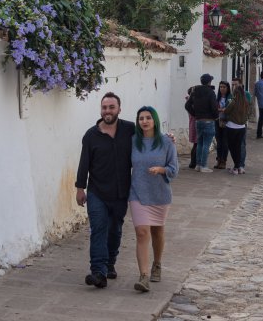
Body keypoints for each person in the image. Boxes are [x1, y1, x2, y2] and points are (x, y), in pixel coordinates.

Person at [75, 92, 135, 288]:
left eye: (111, 107)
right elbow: (84, 163)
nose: (107, 111)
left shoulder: (130, 130)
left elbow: (149, 141)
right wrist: (80, 188)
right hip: (97, 192)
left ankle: (110, 263)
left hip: (120, 192)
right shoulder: (91, 135)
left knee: (115, 229)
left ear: (119, 109)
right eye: (104, 107)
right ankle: (98, 271)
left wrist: (167, 140)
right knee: (99, 228)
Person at [129, 106, 179, 293]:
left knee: (158, 232)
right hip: (137, 193)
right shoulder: (133, 141)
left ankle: (157, 264)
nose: (144, 121)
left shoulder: (167, 142)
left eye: (148, 117)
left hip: (160, 194)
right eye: (141, 118)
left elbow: (174, 169)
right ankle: (143, 277)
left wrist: (161, 170)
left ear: (155, 120)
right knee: (142, 233)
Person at [185, 73, 218, 172]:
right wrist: (216, 117)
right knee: (206, 144)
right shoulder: (210, 92)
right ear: (209, 82)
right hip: (208, 121)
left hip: (198, 121)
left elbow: (187, 105)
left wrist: (195, 114)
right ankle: (203, 166)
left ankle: (198, 165)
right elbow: (214, 107)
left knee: (199, 143)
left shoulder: (195, 91)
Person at [223, 82, 252, 174]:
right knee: (239, 147)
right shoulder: (246, 103)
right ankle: (239, 166)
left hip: (231, 127)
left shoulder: (233, 102)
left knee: (232, 147)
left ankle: (236, 167)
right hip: (242, 128)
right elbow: (249, 114)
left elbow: (226, 111)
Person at [213, 81, 232, 169]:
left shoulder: (230, 98)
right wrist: (220, 110)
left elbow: (230, 109)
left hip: (227, 122)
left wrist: (223, 109)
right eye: (220, 87)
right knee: (219, 142)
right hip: (217, 121)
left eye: (224, 87)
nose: (222, 89)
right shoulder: (217, 98)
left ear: (227, 88)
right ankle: (218, 159)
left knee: (225, 142)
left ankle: (223, 160)